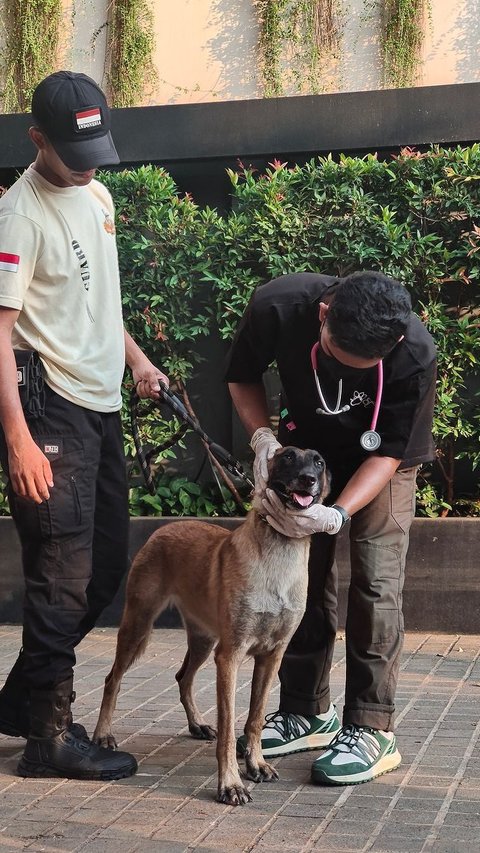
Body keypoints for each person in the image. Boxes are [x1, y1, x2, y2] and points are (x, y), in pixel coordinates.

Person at [0, 71, 169, 780]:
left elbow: (101, 295)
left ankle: (20, 702)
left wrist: (136, 359)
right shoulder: (19, 214)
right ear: (37, 139)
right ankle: (49, 738)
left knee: (102, 566)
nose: (91, 161)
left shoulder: (95, 192)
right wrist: (17, 438)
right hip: (50, 411)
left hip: (102, 403)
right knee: (62, 578)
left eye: (97, 144)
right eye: (75, 150)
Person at [225, 270, 436, 785]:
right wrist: (262, 440)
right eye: (342, 360)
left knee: (376, 578)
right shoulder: (277, 304)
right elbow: (242, 374)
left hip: (380, 462)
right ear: (324, 316)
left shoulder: (414, 353)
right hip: (304, 458)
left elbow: (388, 453)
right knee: (302, 577)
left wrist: (337, 514)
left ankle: (371, 725)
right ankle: (305, 709)